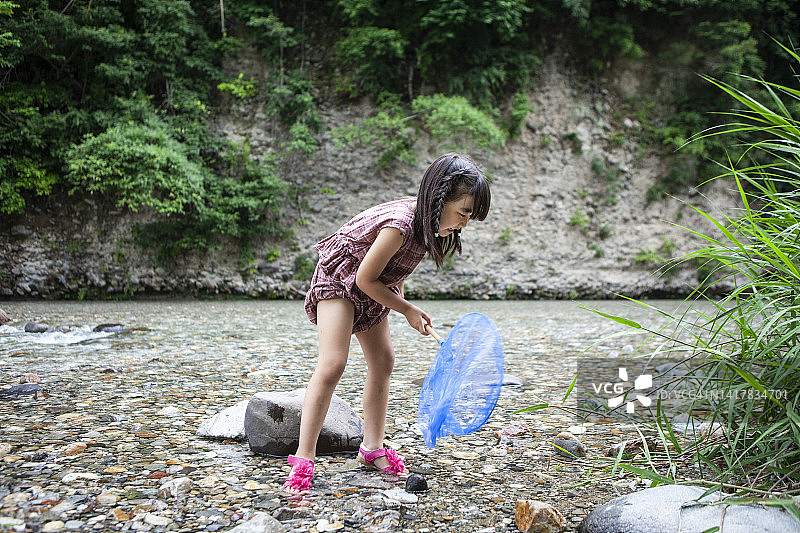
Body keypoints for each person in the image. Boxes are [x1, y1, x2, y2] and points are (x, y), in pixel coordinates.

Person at [283, 152, 492, 492]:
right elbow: (364, 279)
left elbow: (394, 270)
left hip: (375, 285)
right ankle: (304, 456)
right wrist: (407, 309)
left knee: (384, 360)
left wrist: (405, 307)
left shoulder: (430, 227)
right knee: (334, 363)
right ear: (440, 197)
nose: (464, 223)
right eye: (464, 212)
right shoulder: (401, 224)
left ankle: (372, 447)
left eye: (471, 217)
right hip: (341, 278)